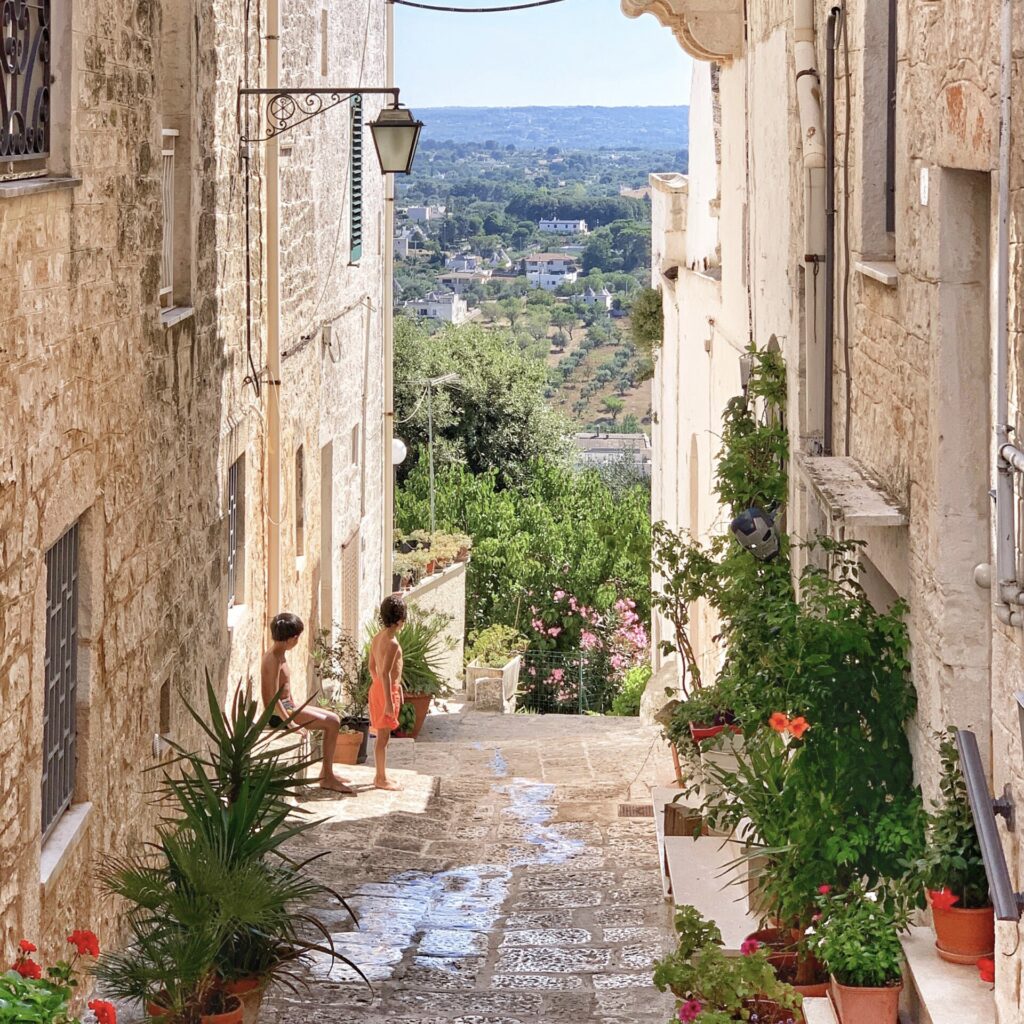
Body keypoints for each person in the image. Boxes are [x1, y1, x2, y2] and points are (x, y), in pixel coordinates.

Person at [260, 612, 354, 795]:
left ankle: (327, 772)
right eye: (297, 637)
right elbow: (271, 700)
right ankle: (327, 777)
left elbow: (284, 690)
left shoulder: (280, 653)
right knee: (332, 723)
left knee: (334, 718)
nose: (297, 641)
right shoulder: (272, 658)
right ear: (290, 639)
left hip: (288, 708)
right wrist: (291, 723)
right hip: (278, 716)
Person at [368, 594, 407, 791]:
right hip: (386, 693)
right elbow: (384, 672)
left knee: (383, 736)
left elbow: (371, 667)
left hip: (378, 689)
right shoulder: (392, 643)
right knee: (383, 739)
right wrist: (388, 701)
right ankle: (380, 777)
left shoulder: (377, 637)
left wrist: (378, 690)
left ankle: (381, 774)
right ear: (400, 620)